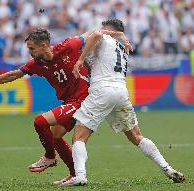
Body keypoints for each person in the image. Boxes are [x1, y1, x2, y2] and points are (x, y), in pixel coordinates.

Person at [0, 28, 130, 184]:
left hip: (83, 99)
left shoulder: (68, 46)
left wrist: (119, 34)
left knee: (40, 121)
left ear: (44, 45)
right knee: (55, 137)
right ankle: (74, 174)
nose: (30, 52)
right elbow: (14, 74)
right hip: (69, 102)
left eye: (32, 48)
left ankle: (50, 157)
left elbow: (95, 33)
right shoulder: (36, 63)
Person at [60, 19, 185, 186]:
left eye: (103, 28)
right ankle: (167, 167)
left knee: (79, 137)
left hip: (102, 90)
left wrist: (81, 59)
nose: (99, 30)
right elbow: (99, 64)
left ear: (108, 30)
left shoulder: (104, 37)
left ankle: (80, 175)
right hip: (121, 92)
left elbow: (97, 34)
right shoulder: (122, 49)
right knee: (137, 136)